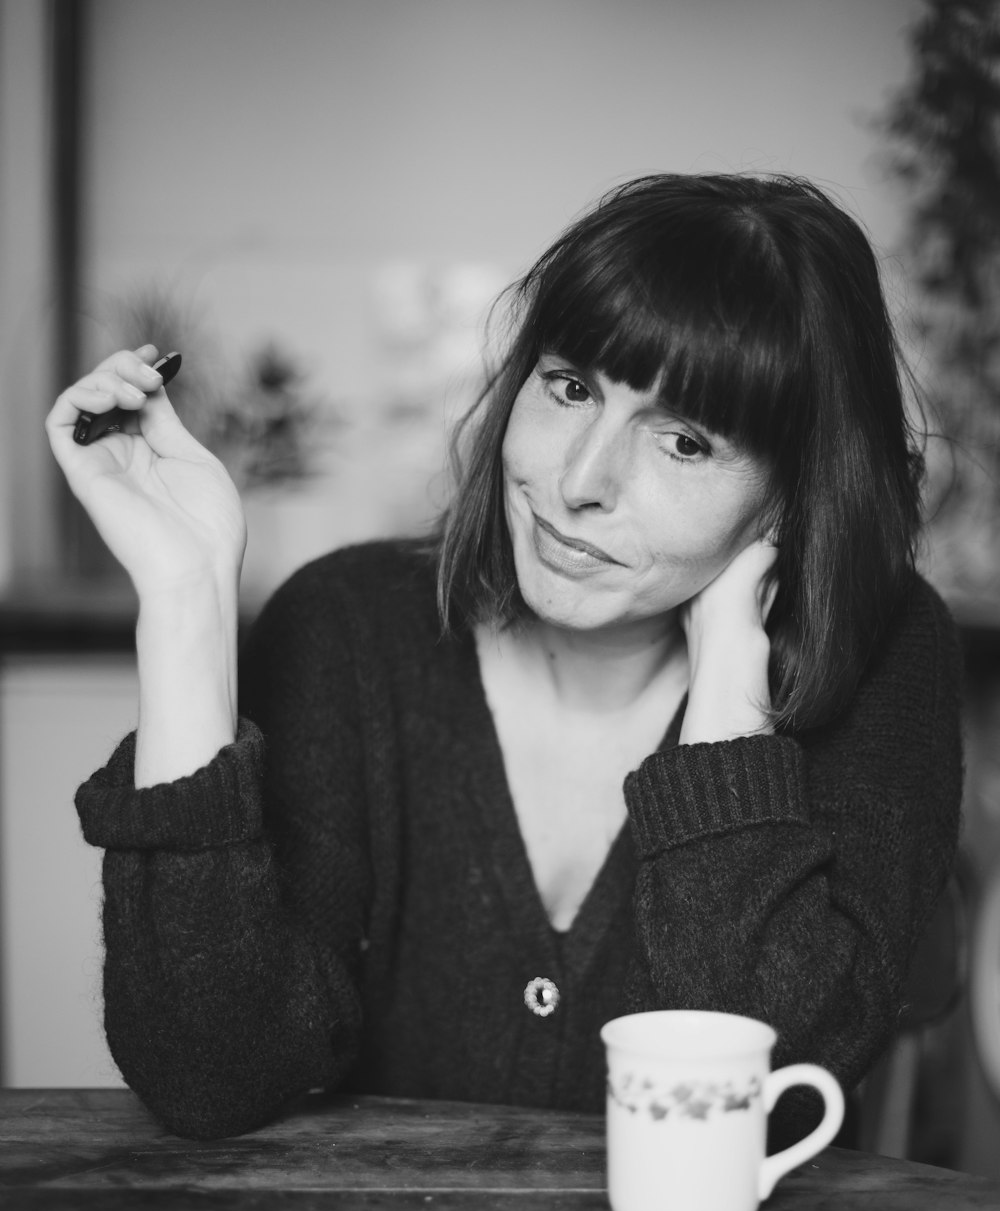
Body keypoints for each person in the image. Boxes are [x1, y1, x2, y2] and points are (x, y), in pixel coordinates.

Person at [47, 173, 963, 1143]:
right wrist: (185, 602)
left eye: (686, 443)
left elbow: (776, 1099)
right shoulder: (345, 630)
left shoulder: (884, 660)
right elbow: (207, 1074)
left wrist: (732, 703)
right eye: (570, 389)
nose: (577, 483)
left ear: (793, 491)